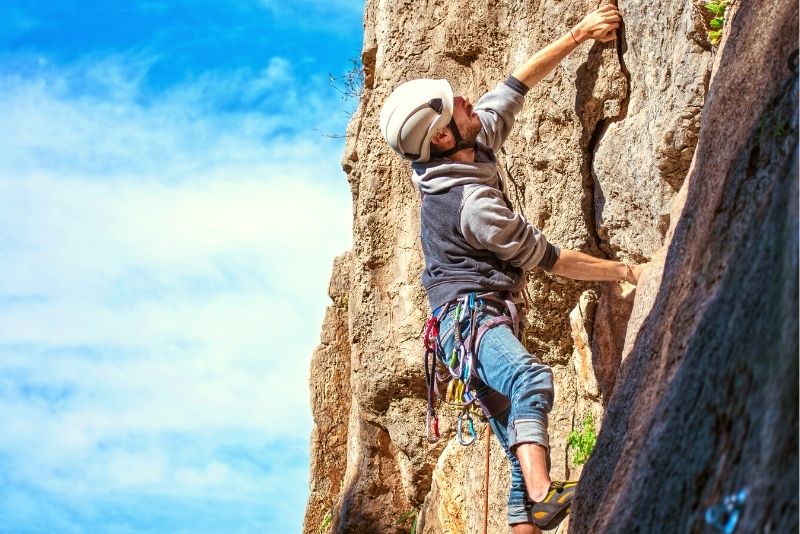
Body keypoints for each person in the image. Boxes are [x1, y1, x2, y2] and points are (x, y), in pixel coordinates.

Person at [379, 4, 638, 532]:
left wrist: (579, 33)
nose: (470, 101)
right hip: (469, 320)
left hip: (467, 322)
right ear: (445, 137)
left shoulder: (461, 146)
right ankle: (545, 496)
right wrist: (625, 272)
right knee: (530, 381)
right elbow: (550, 260)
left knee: (519, 453)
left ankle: (529, 508)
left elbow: (515, 84)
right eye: (459, 105)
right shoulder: (472, 204)